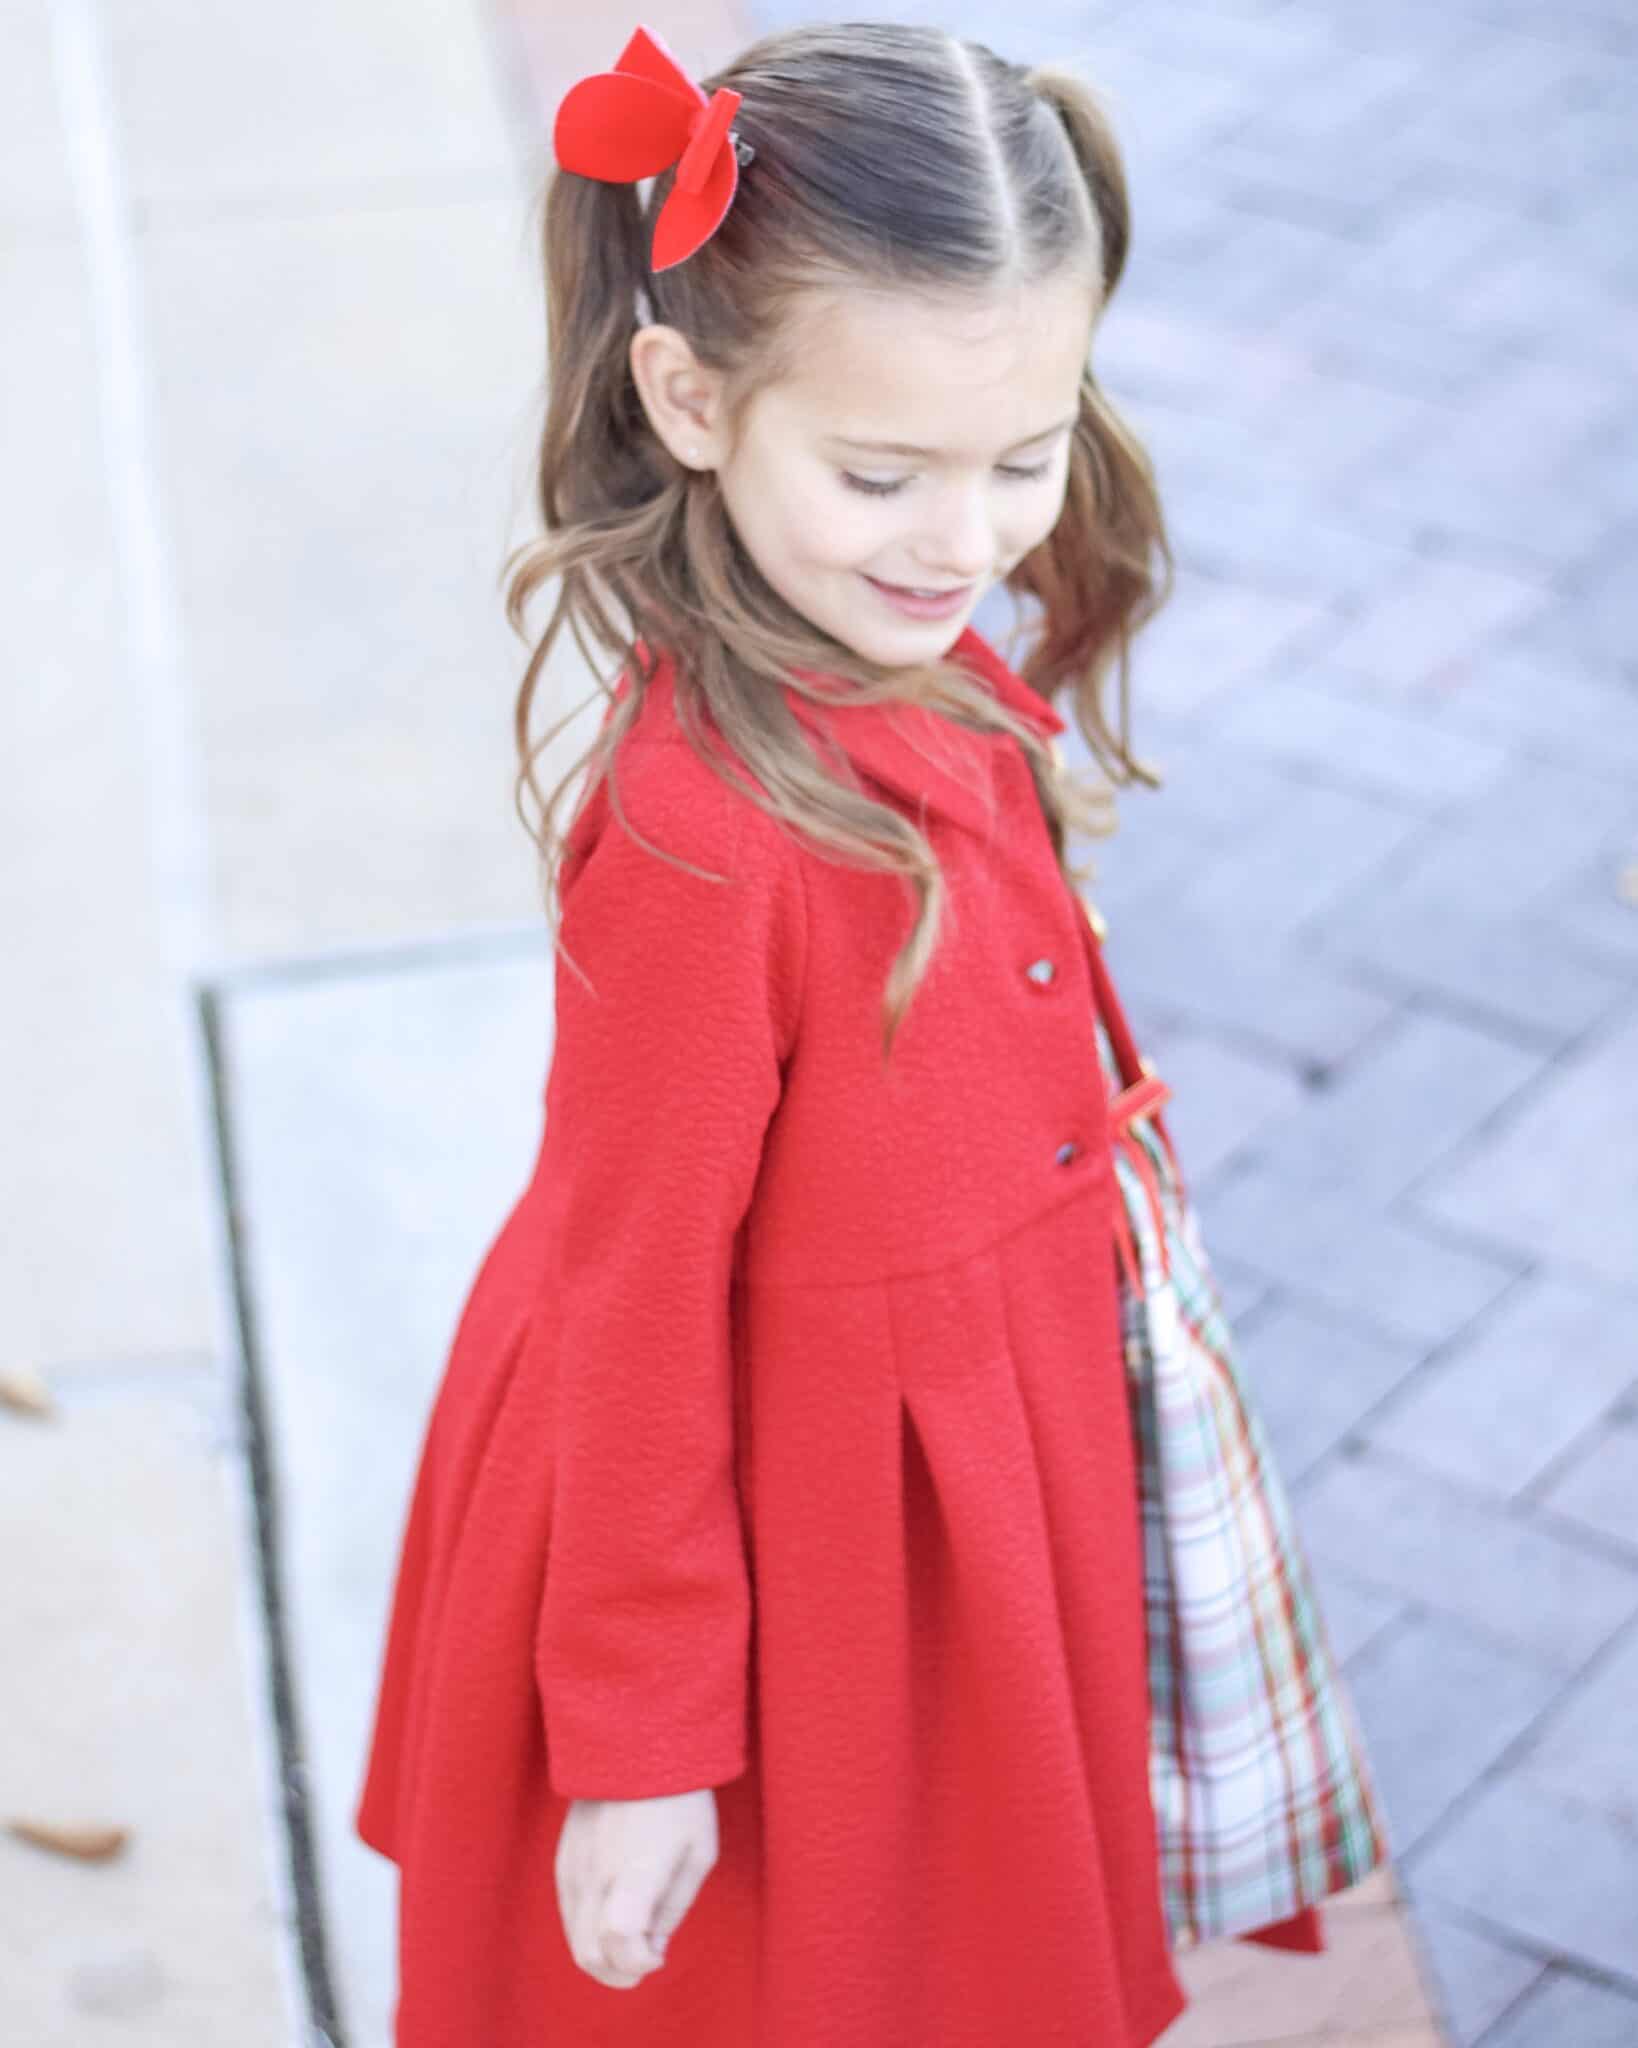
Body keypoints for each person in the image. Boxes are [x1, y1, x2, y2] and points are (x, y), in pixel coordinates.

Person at [353, 19, 1326, 2044]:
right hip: (803, 1514)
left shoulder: (910, 636)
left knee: (967, 1937)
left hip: (958, 1457)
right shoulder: (703, 834)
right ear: (692, 397)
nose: (961, 540)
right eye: (883, 472)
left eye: (1023, 455)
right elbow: (633, 1298)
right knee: (813, 1968)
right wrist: (635, 1736)